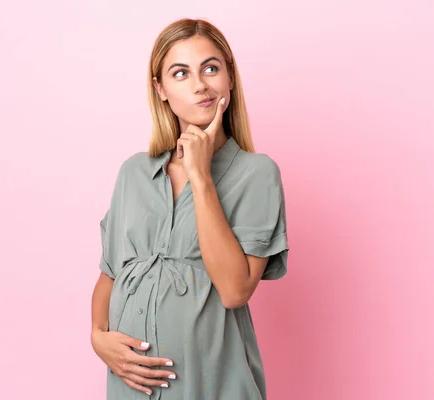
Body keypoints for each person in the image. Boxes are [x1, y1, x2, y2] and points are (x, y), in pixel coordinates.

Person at [90, 18, 289, 400]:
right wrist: (99, 338)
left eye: (211, 68)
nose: (200, 85)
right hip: (133, 387)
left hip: (214, 384)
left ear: (229, 78)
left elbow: (234, 290)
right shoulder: (134, 173)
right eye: (180, 73)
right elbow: (109, 276)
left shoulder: (257, 174)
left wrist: (201, 177)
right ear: (160, 89)